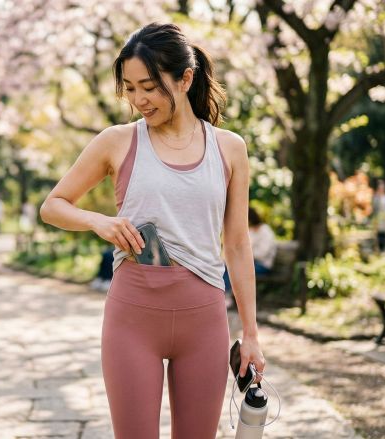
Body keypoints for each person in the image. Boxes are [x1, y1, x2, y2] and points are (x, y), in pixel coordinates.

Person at [39, 23, 265, 438]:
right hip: (132, 319)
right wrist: (100, 222)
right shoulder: (117, 141)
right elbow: (52, 205)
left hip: (205, 322)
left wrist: (250, 334)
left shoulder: (229, 148)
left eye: (150, 86)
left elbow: (236, 243)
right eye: (129, 88)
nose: (139, 100)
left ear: (185, 79)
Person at [222, 207, 277, 294]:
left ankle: (227, 294)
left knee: (235, 268)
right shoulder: (250, 231)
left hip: (262, 265)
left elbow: (262, 253)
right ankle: (225, 294)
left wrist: (243, 255)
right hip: (247, 263)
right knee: (226, 266)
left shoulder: (265, 230)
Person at [372, 179, 385, 252]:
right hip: (378, 217)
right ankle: (379, 249)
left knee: (384, 233)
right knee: (378, 233)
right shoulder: (376, 197)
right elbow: (374, 208)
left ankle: (382, 248)